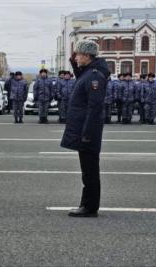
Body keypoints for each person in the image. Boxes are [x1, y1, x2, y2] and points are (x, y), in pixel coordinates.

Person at [61, 40, 110, 217]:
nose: (76, 57)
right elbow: (81, 75)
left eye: (79, 54)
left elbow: (94, 107)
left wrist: (88, 133)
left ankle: (89, 207)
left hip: (88, 131)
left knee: (90, 171)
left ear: (88, 56)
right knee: (87, 171)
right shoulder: (89, 72)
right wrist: (74, 62)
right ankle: (87, 204)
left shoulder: (94, 76)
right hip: (85, 129)